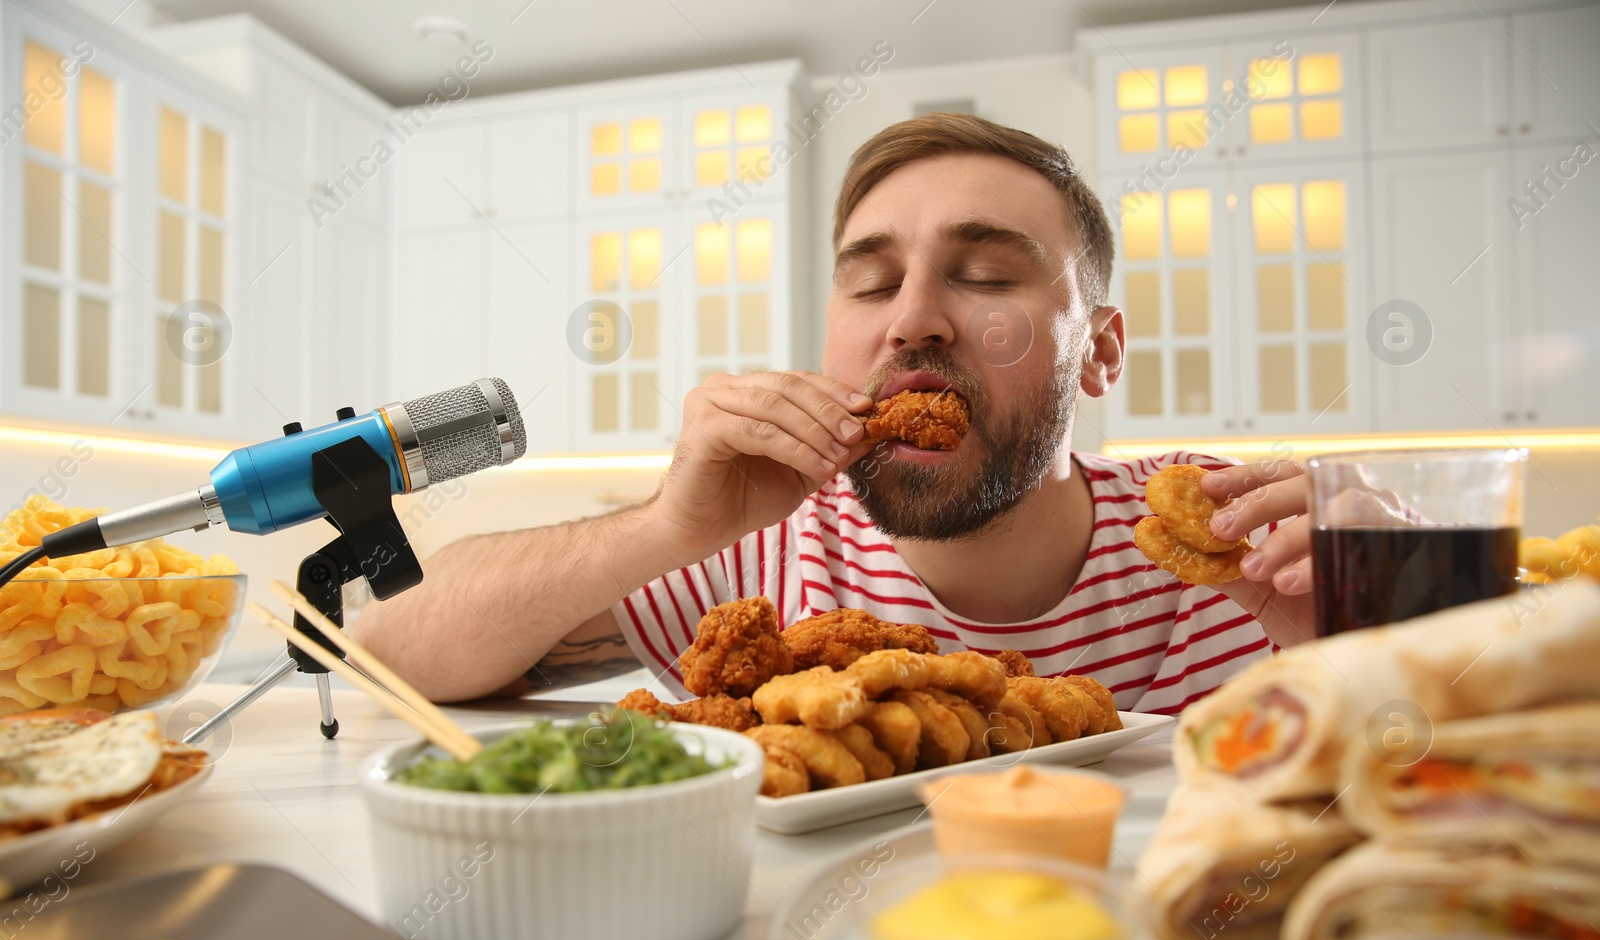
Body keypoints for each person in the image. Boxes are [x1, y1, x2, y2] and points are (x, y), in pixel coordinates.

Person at [355, 113, 1319, 712]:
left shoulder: (1235, 534)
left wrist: (1364, 624)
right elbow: (388, 649)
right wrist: (664, 526)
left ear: (1099, 350)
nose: (910, 321)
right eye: (869, 284)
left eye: (983, 275)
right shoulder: (757, 546)